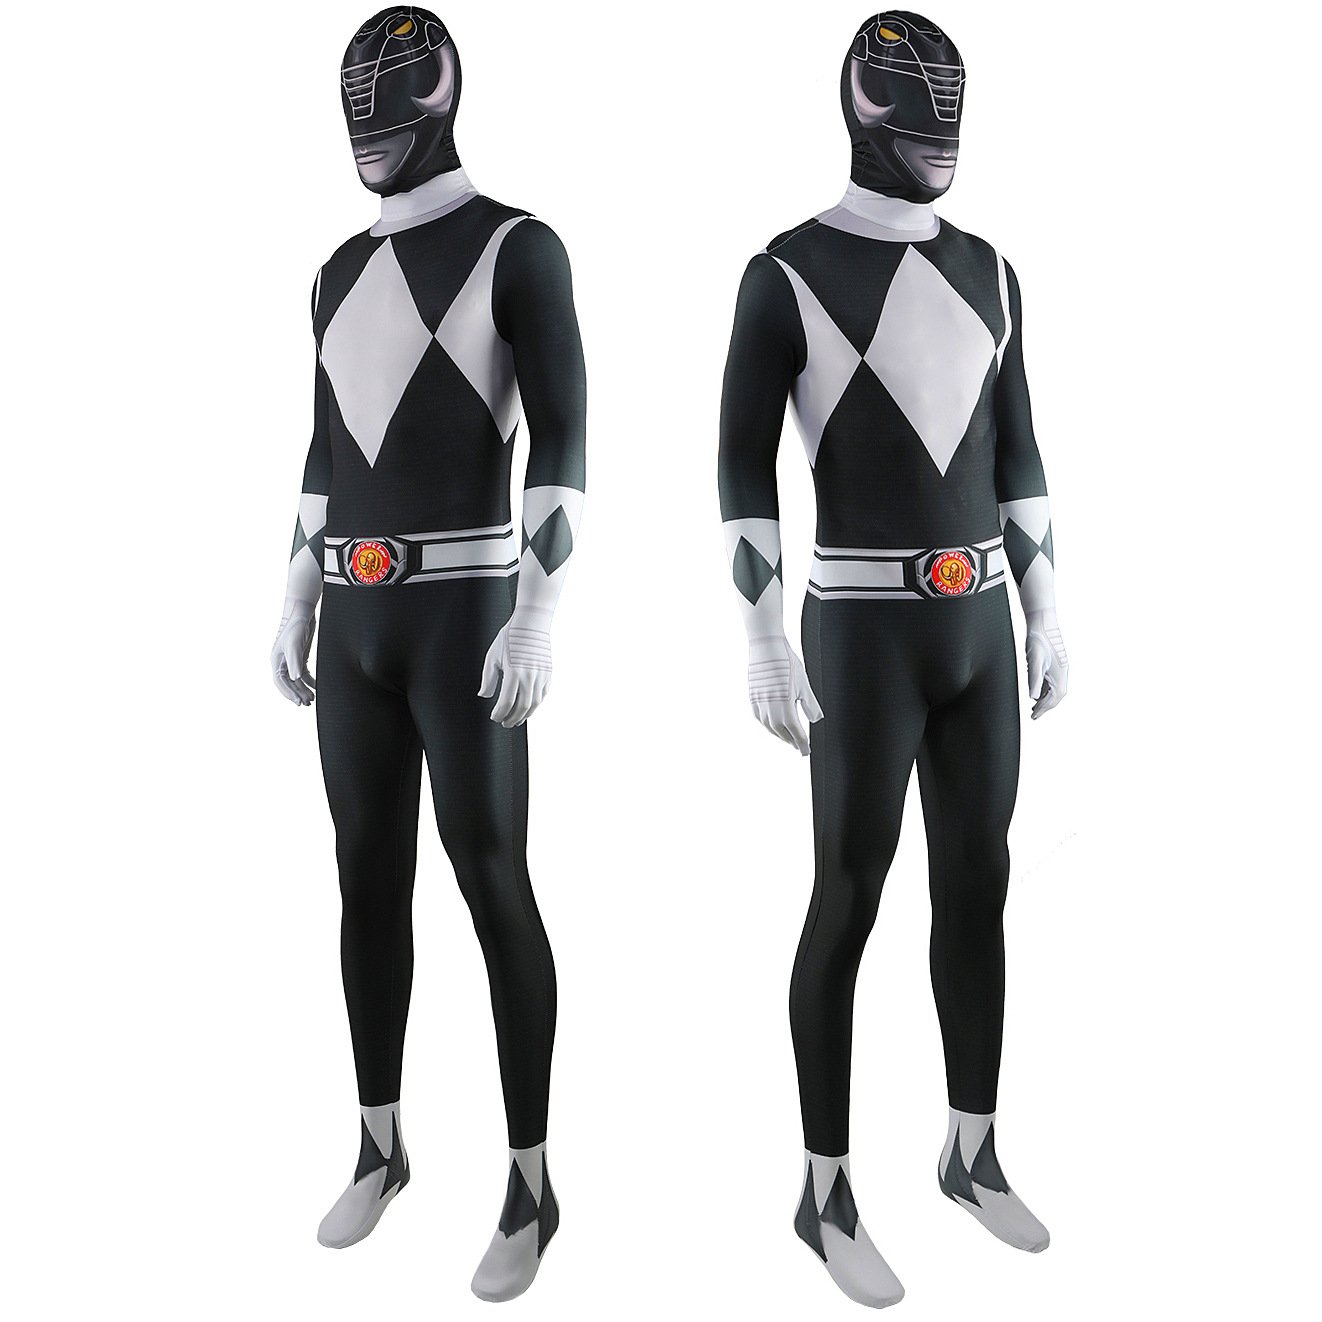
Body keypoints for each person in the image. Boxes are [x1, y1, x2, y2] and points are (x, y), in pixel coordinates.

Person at [717, 11, 1068, 1307]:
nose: (937, 133)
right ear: (866, 110)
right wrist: (760, 634)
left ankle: (970, 1150)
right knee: (847, 895)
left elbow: (1016, 448)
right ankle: (822, 1191)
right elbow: (739, 464)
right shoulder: (786, 270)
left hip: (976, 625)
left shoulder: (992, 270)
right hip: (858, 633)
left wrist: (1045, 603)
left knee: (979, 883)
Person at [269, 9, 585, 1302]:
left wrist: (539, 610)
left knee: (493, 877)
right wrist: (296, 589)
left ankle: (531, 1181)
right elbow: (326, 441)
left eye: (387, 107)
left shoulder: (517, 246)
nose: (370, 137)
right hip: (356, 621)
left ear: (440, 98)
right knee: (365, 879)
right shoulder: (334, 273)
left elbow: (563, 437)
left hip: (466, 612)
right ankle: (379, 1142)